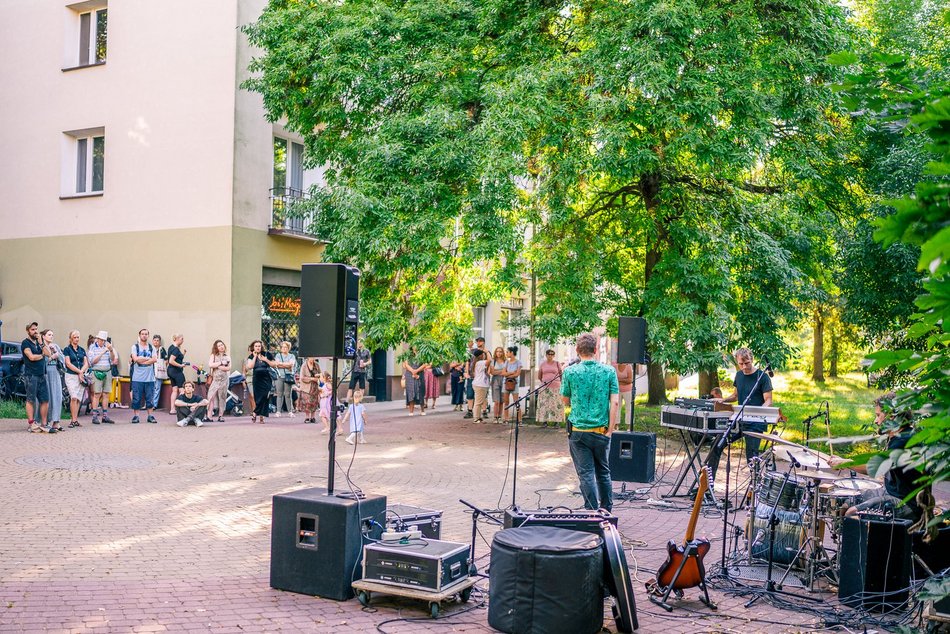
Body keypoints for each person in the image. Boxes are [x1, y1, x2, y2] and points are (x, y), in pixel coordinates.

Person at [829, 393, 926, 522]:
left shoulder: (904, 440)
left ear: (892, 416)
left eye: (878, 416)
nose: (876, 421)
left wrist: (843, 463)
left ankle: (864, 542)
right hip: (891, 494)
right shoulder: (898, 436)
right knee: (844, 503)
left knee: (852, 513)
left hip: (908, 504)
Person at [561, 332, 619, 512]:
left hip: (578, 431)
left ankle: (591, 511)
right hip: (601, 430)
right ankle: (607, 511)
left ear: (578, 350)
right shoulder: (609, 371)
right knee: (603, 472)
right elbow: (615, 402)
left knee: (586, 474)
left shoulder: (570, 372)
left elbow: (565, 400)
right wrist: (610, 430)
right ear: (595, 350)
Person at [706, 348, 774, 481]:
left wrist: (759, 412)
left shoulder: (763, 377)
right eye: (740, 364)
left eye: (747, 363)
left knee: (751, 457)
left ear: (752, 360)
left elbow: (768, 400)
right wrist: (723, 400)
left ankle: (755, 491)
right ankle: (708, 486)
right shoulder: (739, 375)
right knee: (717, 445)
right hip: (738, 420)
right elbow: (736, 395)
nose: (744, 367)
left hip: (755, 423)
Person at [21, 322, 52, 433]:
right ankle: (31, 424)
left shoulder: (39, 343)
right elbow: (32, 357)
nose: (35, 331)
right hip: (31, 375)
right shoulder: (25, 343)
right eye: (33, 329)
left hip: (42, 374)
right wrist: (42, 355)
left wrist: (42, 343)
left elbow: (49, 354)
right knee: (31, 400)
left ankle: (43, 424)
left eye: (36, 329)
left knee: (45, 400)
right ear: (28, 331)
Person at [130, 328, 159, 424]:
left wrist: (142, 359)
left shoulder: (152, 348)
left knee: (150, 398)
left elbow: (155, 359)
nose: (144, 335)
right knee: (136, 398)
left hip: (150, 378)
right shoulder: (135, 347)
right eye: (142, 334)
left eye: (146, 334)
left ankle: (150, 416)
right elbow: (135, 359)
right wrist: (147, 360)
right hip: (137, 378)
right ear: (139, 335)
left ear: (148, 335)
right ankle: (136, 416)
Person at [87, 330, 117, 425]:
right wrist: (102, 352)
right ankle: (95, 416)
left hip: (107, 371)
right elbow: (92, 361)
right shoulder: (92, 347)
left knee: (106, 394)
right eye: (101, 340)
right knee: (97, 394)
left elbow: (112, 360)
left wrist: (111, 350)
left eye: (104, 340)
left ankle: (105, 416)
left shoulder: (107, 347)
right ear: (97, 339)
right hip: (97, 372)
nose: (103, 342)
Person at [40, 329, 65, 432]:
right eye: (49, 335)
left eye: (52, 335)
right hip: (45, 374)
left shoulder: (55, 346)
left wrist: (56, 354)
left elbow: (63, 360)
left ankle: (56, 421)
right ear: (43, 336)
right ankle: (47, 421)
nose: (51, 336)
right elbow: (40, 362)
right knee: (47, 398)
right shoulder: (41, 347)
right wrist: (50, 357)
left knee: (57, 397)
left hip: (55, 374)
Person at [62, 330, 88, 428]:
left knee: (78, 399)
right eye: (74, 337)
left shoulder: (82, 350)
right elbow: (68, 363)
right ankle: (72, 420)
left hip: (80, 376)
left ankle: (76, 419)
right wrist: (79, 372)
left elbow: (86, 363)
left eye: (78, 337)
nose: (76, 339)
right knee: (73, 397)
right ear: (71, 338)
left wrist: (82, 371)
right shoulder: (67, 349)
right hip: (71, 376)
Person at [246, 340, 276, 423]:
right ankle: (261, 417)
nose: (257, 347)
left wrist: (266, 360)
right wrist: (255, 357)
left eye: (259, 346)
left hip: (267, 379)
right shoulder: (251, 356)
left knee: (264, 396)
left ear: (261, 347)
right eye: (256, 346)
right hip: (257, 379)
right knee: (258, 398)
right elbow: (250, 366)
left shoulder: (267, 354)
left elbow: (274, 364)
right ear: (253, 347)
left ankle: (255, 412)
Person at [537, 349, 564, 428]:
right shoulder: (542, 364)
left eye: (552, 354)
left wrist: (560, 383)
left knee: (556, 404)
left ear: (554, 356)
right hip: (545, 387)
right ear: (546, 355)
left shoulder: (557, 363)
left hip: (556, 387)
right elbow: (539, 376)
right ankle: (544, 422)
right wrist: (545, 381)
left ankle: (557, 422)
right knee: (545, 404)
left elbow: (560, 374)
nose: (550, 356)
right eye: (549, 354)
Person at [207, 340, 231, 422]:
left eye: (222, 345)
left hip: (224, 380)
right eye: (219, 345)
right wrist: (221, 363)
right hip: (215, 379)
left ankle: (221, 416)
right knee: (211, 396)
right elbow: (210, 365)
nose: (221, 346)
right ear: (216, 348)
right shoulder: (213, 355)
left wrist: (218, 366)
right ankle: (209, 416)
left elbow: (228, 368)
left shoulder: (227, 356)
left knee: (222, 397)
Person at [463, 337, 486, 418]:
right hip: (472, 376)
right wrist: (466, 372)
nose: (478, 343)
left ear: (483, 342)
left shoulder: (486, 352)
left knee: (482, 394)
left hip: (482, 376)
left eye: (480, 341)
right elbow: (467, 362)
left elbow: (489, 363)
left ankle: (484, 411)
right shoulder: (472, 351)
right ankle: (470, 411)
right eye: (477, 341)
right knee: (470, 394)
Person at [165, 334, 188, 415]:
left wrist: (183, 354)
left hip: (170, 371)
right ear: (177, 339)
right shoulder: (176, 349)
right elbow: (171, 361)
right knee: (182, 390)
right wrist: (181, 365)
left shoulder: (171, 347)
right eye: (182, 339)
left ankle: (172, 409)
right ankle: (182, 409)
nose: (183, 340)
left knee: (174, 390)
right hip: (176, 371)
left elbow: (177, 359)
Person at [501, 346, 522, 424]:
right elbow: (503, 373)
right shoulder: (506, 362)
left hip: (514, 384)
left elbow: (517, 374)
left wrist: (508, 374)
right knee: (506, 402)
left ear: (512, 353)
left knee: (516, 402)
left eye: (507, 352)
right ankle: (506, 418)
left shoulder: (518, 362)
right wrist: (512, 373)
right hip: (505, 383)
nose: (506, 353)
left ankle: (519, 420)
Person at [298, 357, 321, 424]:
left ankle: (313, 417)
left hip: (314, 386)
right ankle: (307, 417)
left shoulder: (316, 364)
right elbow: (302, 377)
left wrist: (318, 376)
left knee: (314, 402)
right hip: (306, 386)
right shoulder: (304, 365)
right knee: (306, 402)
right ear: (308, 358)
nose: (312, 359)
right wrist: (312, 379)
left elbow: (320, 373)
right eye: (311, 358)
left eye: (313, 358)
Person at [347, 339, 371, 403]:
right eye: (358, 343)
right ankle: (347, 402)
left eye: (360, 342)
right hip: (355, 371)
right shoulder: (355, 351)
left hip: (362, 372)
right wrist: (357, 350)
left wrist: (365, 364)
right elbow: (350, 358)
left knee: (362, 387)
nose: (359, 344)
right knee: (351, 387)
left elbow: (370, 360)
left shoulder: (366, 351)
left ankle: (360, 401)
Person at [402, 349, 425, 416]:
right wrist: (413, 371)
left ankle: (422, 410)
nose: (416, 347)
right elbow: (405, 365)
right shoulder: (408, 354)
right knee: (410, 391)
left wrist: (416, 371)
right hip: (409, 374)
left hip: (420, 373)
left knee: (420, 391)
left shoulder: (422, 353)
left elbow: (425, 364)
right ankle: (411, 411)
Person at [471, 349, 491, 424]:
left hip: (479, 384)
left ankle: (478, 417)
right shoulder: (480, 362)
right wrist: (487, 352)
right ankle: (476, 418)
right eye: (483, 354)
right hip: (480, 384)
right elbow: (489, 360)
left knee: (479, 402)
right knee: (478, 402)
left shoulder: (477, 362)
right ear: (481, 355)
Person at [488, 347, 506, 423]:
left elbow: (506, 371)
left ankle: (500, 417)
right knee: (496, 401)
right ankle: (495, 417)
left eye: (500, 351)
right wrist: (502, 371)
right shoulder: (493, 361)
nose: (499, 353)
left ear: (502, 353)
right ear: (495, 352)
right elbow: (492, 372)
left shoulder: (505, 361)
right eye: (497, 351)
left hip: (504, 380)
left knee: (502, 401)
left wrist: (497, 371)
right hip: (495, 380)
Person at [151, 334, 168, 413]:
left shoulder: (161, 349)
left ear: (160, 342)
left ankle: (154, 404)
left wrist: (162, 366)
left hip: (158, 371)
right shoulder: (150, 349)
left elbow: (166, 360)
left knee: (157, 388)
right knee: (149, 388)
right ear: (152, 341)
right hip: (150, 371)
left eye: (157, 341)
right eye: (155, 340)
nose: (156, 342)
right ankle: (148, 404)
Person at [614, 362, 633, 429]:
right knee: (617, 407)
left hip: (628, 391)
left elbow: (630, 380)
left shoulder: (628, 366)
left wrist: (619, 380)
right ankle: (616, 425)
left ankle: (629, 426)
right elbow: (614, 380)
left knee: (628, 408)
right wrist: (624, 380)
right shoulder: (615, 367)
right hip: (617, 391)